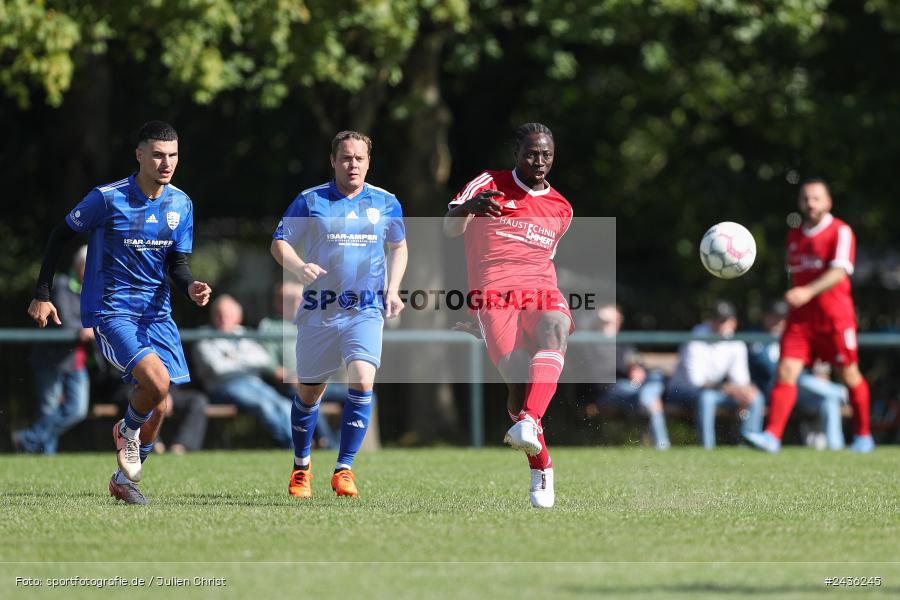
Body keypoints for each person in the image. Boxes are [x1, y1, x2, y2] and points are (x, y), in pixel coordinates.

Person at [27, 121, 212, 505]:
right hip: (113, 312)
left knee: (160, 404)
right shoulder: (107, 199)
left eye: (173, 155)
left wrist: (190, 286)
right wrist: (42, 293)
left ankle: (123, 481)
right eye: (157, 155)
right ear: (139, 155)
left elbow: (176, 264)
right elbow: (60, 235)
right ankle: (126, 430)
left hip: (157, 316)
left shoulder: (181, 204)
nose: (166, 163)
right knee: (157, 383)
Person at [271, 130, 407, 499]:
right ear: (333, 161)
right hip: (318, 310)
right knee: (309, 392)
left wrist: (393, 288)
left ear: (368, 162)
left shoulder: (386, 202)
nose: (353, 164)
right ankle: (301, 467)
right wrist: (299, 267)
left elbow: (398, 246)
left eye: (359, 158)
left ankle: (344, 469)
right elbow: (279, 242)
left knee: (362, 381)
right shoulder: (310, 200)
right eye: (346, 158)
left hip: (365, 310)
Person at [444, 122, 573, 508]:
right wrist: (467, 209)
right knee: (518, 387)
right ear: (516, 153)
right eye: (531, 154)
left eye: (546, 154)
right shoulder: (489, 182)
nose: (539, 161)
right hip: (493, 293)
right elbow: (450, 227)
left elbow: (545, 258)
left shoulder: (562, 208)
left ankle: (531, 427)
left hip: (540, 287)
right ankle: (541, 462)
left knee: (555, 326)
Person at [745, 178, 874, 453]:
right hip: (801, 321)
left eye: (816, 198)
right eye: (805, 198)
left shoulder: (840, 231)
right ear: (799, 203)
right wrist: (799, 297)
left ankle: (863, 436)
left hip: (835, 319)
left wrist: (807, 291)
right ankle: (772, 436)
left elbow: (839, 271)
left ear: (828, 202)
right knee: (786, 371)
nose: (810, 204)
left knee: (849, 374)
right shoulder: (794, 236)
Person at [14, 246, 93, 454]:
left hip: (75, 360)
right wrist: (86, 329)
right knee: (48, 410)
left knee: (78, 409)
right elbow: (64, 321)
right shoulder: (61, 285)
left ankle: (27, 439)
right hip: (50, 358)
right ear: (79, 265)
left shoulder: (92, 289)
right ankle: (45, 457)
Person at [192, 295, 294, 448]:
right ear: (213, 316)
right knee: (263, 405)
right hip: (224, 387)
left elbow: (263, 359)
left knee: (284, 404)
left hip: (253, 383)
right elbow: (219, 369)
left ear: (238, 317)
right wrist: (246, 361)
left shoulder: (243, 334)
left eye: (228, 314)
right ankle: (291, 443)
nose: (223, 318)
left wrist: (234, 360)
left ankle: (301, 442)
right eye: (219, 314)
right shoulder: (204, 337)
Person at [747, 301, 846, 450]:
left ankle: (835, 446)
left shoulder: (795, 338)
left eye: (781, 317)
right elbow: (771, 370)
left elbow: (814, 363)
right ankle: (841, 392)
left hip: (800, 392)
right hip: (772, 390)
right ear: (764, 317)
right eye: (773, 316)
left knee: (828, 400)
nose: (777, 321)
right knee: (793, 377)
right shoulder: (757, 339)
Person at [666, 301, 764, 449]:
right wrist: (730, 389)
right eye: (715, 319)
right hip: (681, 391)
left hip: (714, 390)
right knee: (707, 398)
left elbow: (741, 380)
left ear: (733, 322)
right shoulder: (697, 338)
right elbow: (696, 381)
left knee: (755, 397)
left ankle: (750, 444)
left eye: (723, 320)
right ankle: (707, 448)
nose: (719, 324)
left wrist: (745, 391)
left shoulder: (735, 343)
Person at [258, 281, 339, 448]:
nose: (297, 302)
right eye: (290, 299)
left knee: (362, 395)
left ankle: (341, 443)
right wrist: (287, 376)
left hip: (321, 382)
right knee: (308, 393)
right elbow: (266, 360)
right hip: (289, 384)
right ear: (278, 303)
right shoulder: (270, 327)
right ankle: (327, 443)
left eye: (300, 298)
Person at [582, 303, 670, 450]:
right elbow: (602, 373)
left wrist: (637, 369)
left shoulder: (623, 344)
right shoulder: (591, 342)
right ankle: (663, 445)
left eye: (615, 321)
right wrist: (627, 368)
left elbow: (636, 363)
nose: (610, 325)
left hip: (635, 387)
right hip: (608, 391)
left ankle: (647, 396)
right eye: (606, 321)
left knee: (656, 376)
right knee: (651, 397)